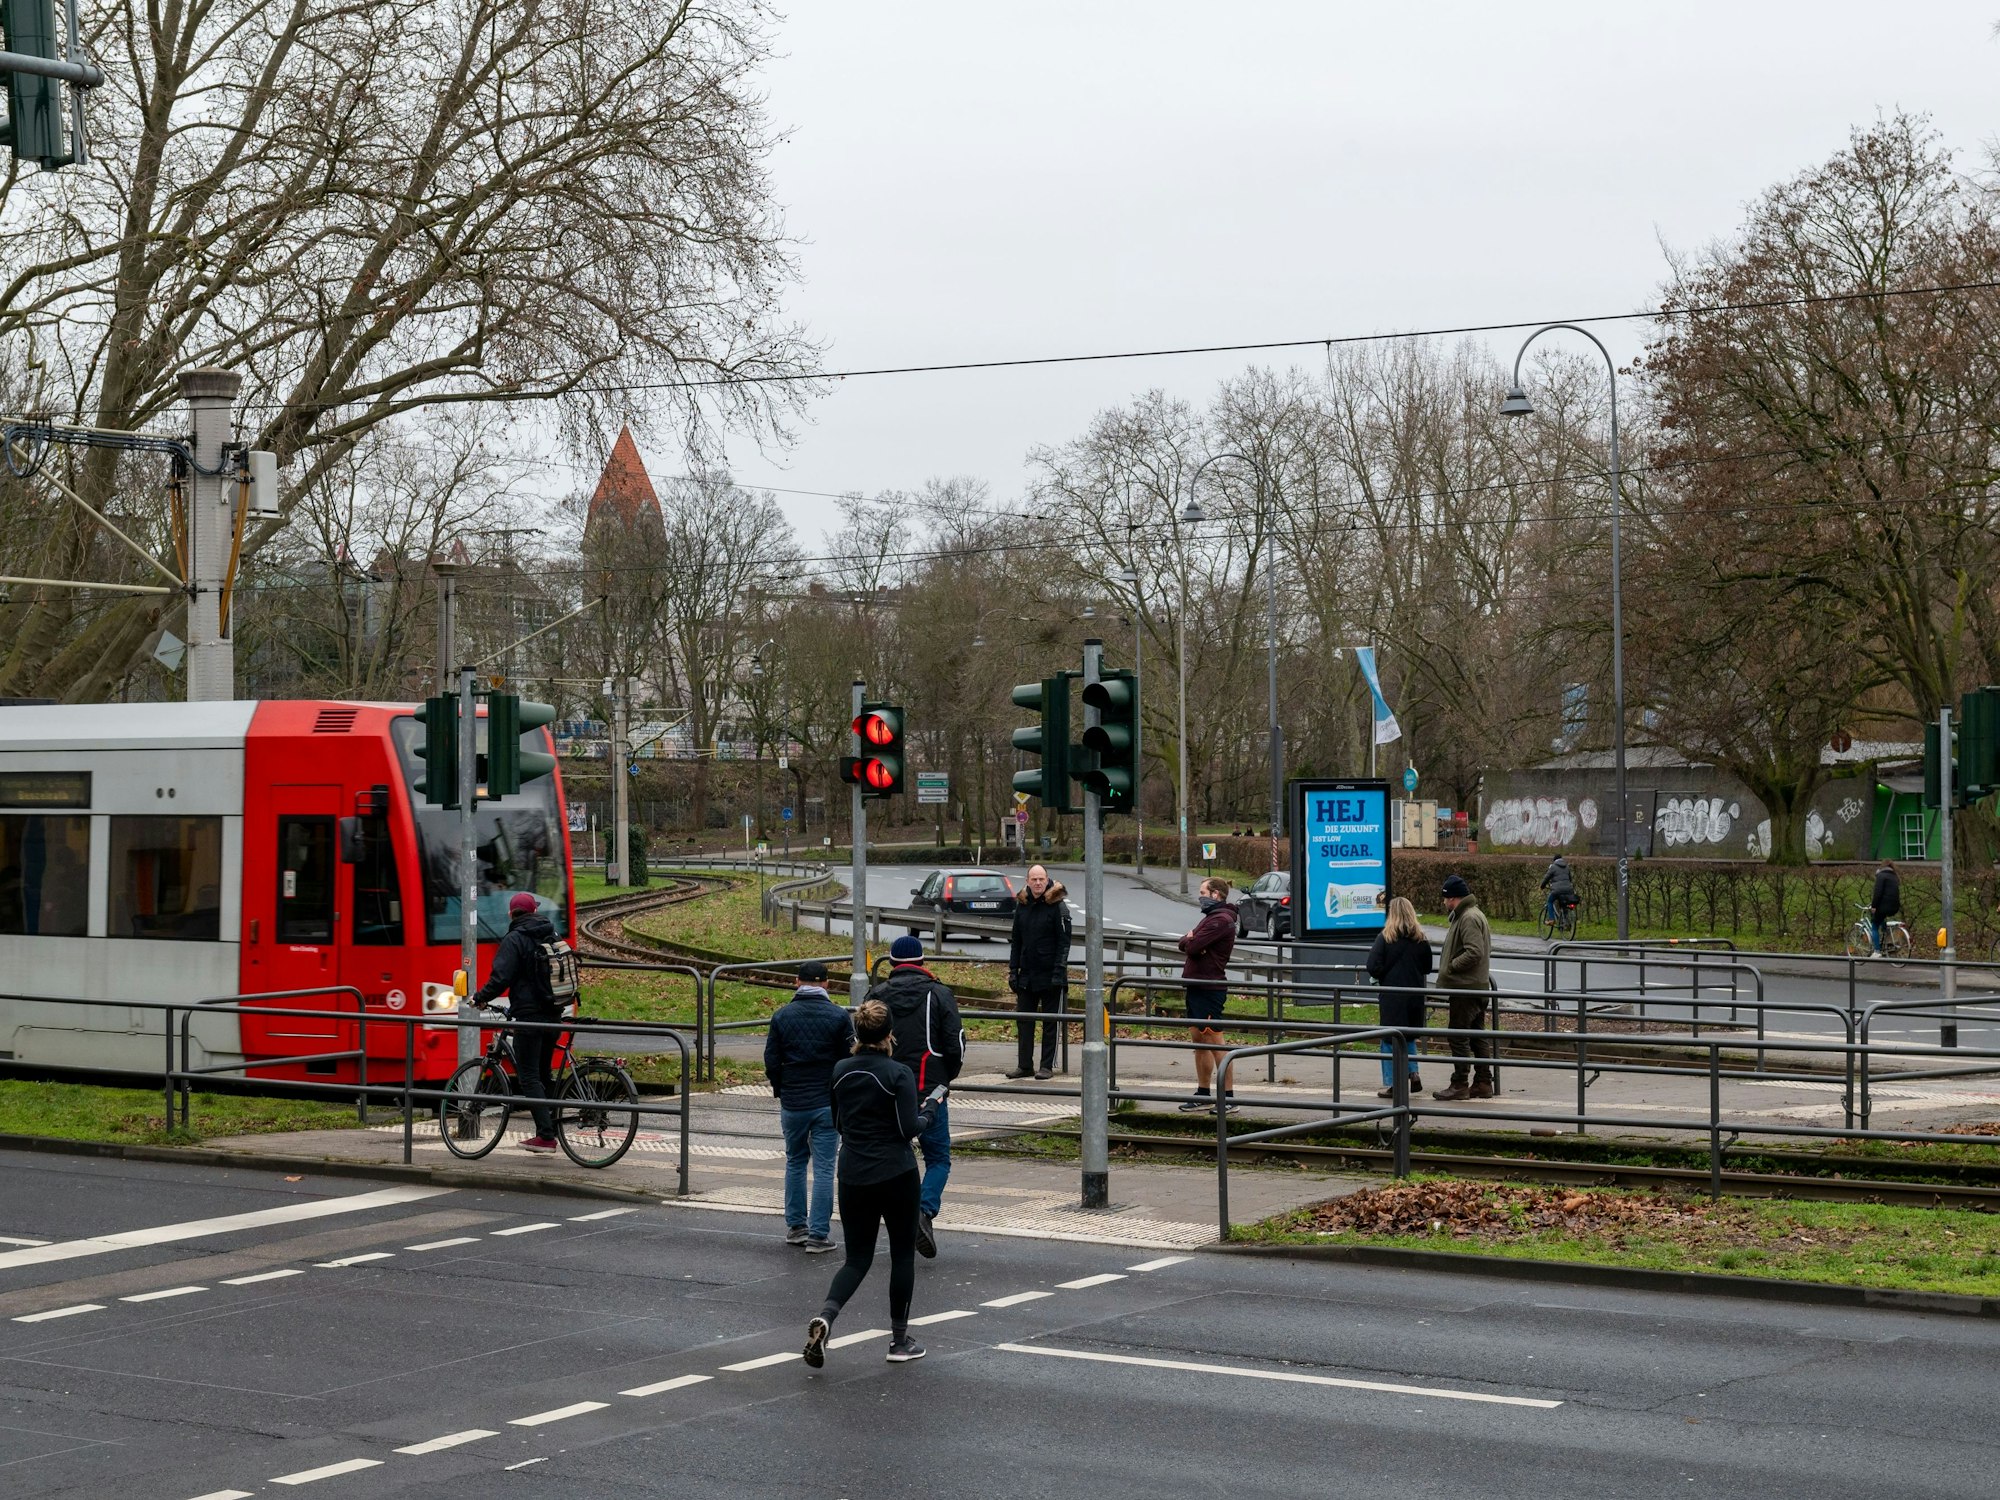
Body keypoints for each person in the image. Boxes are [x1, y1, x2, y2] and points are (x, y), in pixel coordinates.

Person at [803, 999, 945, 1369]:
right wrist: (931, 1107)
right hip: (896, 1173)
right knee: (901, 1255)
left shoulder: (840, 1071)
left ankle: (826, 1318)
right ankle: (899, 1342)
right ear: (889, 1034)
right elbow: (908, 1128)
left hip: (852, 1173)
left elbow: (838, 1123)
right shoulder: (897, 1074)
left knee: (857, 1259)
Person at [868, 934, 963, 1259]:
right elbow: (955, 1045)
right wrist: (945, 1079)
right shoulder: (939, 995)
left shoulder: (878, 995)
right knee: (938, 1158)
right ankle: (922, 1211)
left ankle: (903, 1217)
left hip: (886, 1091)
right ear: (923, 962)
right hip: (929, 1091)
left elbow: (861, 1038)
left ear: (892, 964)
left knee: (897, 1155)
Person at [763, 959, 854, 1253]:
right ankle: (818, 1235)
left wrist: (781, 1088)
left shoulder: (781, 1016)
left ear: (797, 982)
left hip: (793, 1100)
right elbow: (847, 1060)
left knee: (795, 1161)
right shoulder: (839, 1016)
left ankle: (796, 1227)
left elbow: (771, 1061)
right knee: (826, 1168)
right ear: (826, 984)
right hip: (827, 1102)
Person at [470, 892, 562, 1153]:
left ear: (512, 914)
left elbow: (501, 976)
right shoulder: (551, 933)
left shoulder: (515, 939)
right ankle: (552, 1126)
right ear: (534, 911)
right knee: (544, 1074)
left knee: (529, 1075)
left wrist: (481, 997)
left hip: (530, 1015)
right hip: (554, 1012)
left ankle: (546, 1136)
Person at [1176, 877, 1238, 1113]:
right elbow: (1185, 943)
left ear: (1215, 895)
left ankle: (1229, 1097)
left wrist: (1191, 940)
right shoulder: (1210, 919)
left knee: (1215, 1042)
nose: (1199, 896)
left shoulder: (1220, 920)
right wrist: (1190, 941)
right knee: (1199, 1041)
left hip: (1210, 987)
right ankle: (1203, 1093)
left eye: (1203, 892)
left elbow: (1190, 946)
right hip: (1196, 986)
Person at [1432, 874, 1495, 1101]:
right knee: (1477, 1036)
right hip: (1476, 986)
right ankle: (1483, 1082)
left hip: (1466, 988)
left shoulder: (1467, 917)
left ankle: (1459, 1084)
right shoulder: (1473, 914)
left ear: (1453, 898)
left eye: (1445, 898)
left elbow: (1474, 951)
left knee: (1458, 1036)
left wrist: (1451, 966)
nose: (1443, 902)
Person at [1006, 864, 1071, 1080]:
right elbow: (1016, 941)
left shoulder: (1058, 907)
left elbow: (1064, 943)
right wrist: (1013, 971)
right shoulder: (1022, 905)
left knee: (1050, 1022)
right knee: (1024, 1020)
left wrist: (1058, 972)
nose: (1037, 883)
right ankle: (1024, 1065)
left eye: (1041, 879)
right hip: (1027, 975)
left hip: (1051, 974)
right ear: (1027, 881)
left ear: (1047, 879)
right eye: (1033, 879)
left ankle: (1046, 1066)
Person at [1366, 896, 1433, 1098]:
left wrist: (1386, 971)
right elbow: (1427, 967)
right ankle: (1413, 1072)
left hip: (1392, 997)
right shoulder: (1421, 939)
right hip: (1415, 996)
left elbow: (1372, 967)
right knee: (1409, 1036)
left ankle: (1394, 1084)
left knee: (1389, 1038)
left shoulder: (1385, 938)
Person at [1870, 861, 1901, 956]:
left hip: (1884, 906)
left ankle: (1877, 951)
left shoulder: (1881, 876)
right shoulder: (1894, 876)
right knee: (1882, 920)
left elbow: (1878, 893)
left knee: (1874, 926)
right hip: (1894, 906)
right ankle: (1888, 942)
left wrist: (1874, 906)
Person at [1540, 855, 1576, 926]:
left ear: (1554, 860)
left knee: (1550, 901)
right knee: (1564, 904)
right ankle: (1565, 921)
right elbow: (1570, 879)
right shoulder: (1567, 867)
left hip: (1557, 890)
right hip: (1568, 890)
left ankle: (1551, 919)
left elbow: (1546, 878)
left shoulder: (1553, 867)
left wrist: (1542, 886)